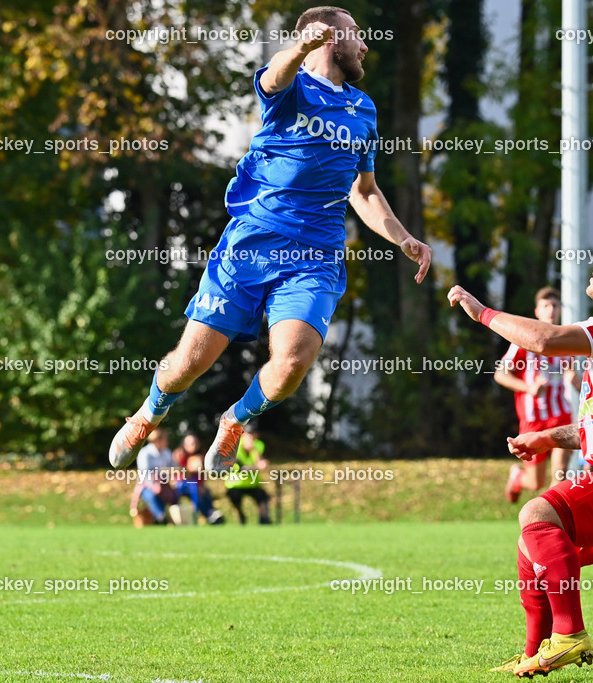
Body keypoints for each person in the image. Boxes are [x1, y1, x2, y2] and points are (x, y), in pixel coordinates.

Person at [108, 5, 431, 473]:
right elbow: (274, 79)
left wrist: (403, 239)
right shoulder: (290, 85)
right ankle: (147, 414)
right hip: (250, 247)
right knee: (188, 364)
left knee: (294, 362)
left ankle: (235, 420)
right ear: (328, 40)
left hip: (314, 257)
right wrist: (300, 47)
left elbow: (363, 191)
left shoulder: (363, 109)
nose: (365, 45)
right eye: (356, 35)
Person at [448, 237, 593, 677]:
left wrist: (482, 312)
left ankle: (571, 634)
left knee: (537, 512)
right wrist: (547, 438)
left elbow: (545, 339)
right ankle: (535, 651)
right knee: (530, 544)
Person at [495, 287, 579, 502]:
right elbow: (500, 374)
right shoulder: (523, 341)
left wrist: (577, 382)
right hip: (533, 420)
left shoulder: (566, 341)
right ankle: (517, 478)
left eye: (555, 305)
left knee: (559, 472)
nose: (551, 310)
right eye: (546, 306)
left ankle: (550, 521)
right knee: (536, 482)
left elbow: (574, 377)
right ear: (537, 311)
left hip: (561, 416)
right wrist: (529, 388)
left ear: (560, 309)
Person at [171, 434, 225, 525]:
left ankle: (211, 512)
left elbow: (201, 474)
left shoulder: (201, 456)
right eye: (191, 443)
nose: (193, 445)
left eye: (195, 443)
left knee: (205, 491)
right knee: (194, 487)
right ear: (184, 445)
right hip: (181, 484)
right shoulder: (179, 455)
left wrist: (202, 485)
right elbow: (178, 472)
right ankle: (204, 514)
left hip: (196, 484)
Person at [129, 429, 178, 525]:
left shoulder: (166, 452)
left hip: (163, 484)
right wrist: (155, 485)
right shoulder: (145, 453)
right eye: (165, 439)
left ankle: (174, 518)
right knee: (152, 496)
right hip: (146, 486)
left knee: (175, 496)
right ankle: (161, 518)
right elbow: (145, 473)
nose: (167, 441)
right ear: (157, 440)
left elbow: (174, 467)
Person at [225, 427, 271, 525]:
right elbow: (239, 468)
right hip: (235, 485)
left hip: (253, 484)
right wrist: (257, 467)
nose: (251, 438)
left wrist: (254, 450)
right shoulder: (234, 446)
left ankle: (264, 520)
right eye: (248, 434)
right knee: (235, 498)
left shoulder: (258, 445)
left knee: (263, 497)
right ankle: (240, 517)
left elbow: (261, 462)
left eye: (253, 435)